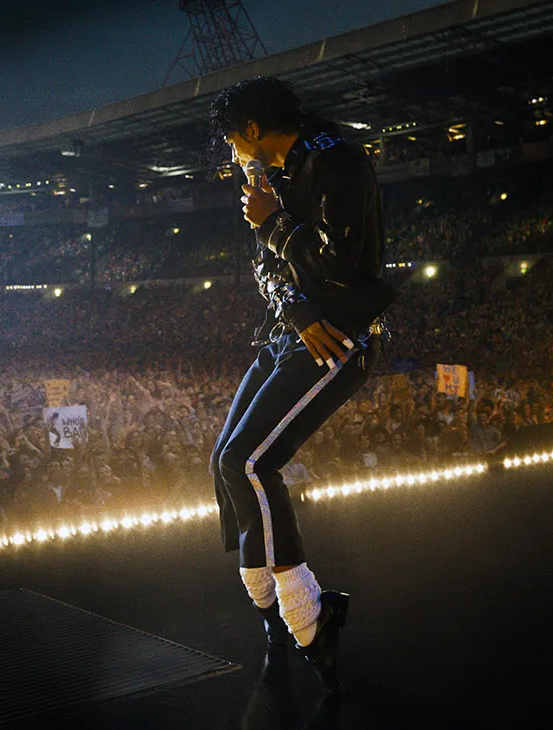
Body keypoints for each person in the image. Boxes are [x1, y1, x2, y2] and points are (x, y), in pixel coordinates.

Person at [207, 76, 396, 695]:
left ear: (253, 130)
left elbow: (341, 261)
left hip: (339, 338)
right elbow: (266, 266)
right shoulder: (274, 174)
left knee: (249, 462)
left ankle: (310, 620)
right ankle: (271, 609)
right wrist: (294, 305)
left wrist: (274, 223)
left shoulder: (337, 161)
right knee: (224, 462)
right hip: (295, 329)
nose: (232, 152)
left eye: (232, 139)